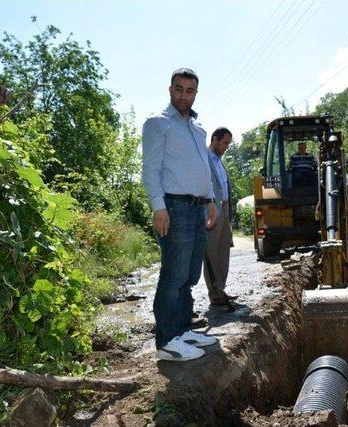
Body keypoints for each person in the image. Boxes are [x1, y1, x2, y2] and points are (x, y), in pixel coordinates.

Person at [142, 68, 219, 362]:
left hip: (197, 206)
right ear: (170, 89)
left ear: (195, 93)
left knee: (189, 275)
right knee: (173, 274)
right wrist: (158, 206)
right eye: (179, 89)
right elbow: (151, 169)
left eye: (189, 90)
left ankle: (183, 330)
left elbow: (202, 167)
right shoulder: (158, 124)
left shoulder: (197, 129)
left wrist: (210, 200)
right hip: (174, 206)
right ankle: (166, 340)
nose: (184, 95)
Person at [203, 127, 237, 308]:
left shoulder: (219, 162)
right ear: (214, 139)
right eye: (224, 143)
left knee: (224, 251)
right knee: (211, 253)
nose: (226, 147)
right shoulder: (204, 158)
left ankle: (221, 289)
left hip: (223, 210)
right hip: (211, 211)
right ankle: (214, 293)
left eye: (229, 144)